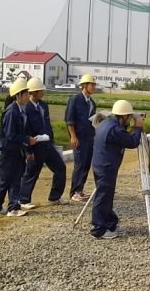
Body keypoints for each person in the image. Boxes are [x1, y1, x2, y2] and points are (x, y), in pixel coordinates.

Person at [91, 100, 143, 239]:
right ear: (124, 116)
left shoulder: (108, 123)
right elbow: (132, 142)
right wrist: (138, 127)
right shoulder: (115, 129)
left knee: (105, 197)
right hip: (106, 167)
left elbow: (123, 136)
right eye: (129, 116)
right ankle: (99, 229)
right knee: (103, 198)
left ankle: (109, 222)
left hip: (100, 164)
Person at [0, 78, 38, 217]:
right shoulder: (12, 112)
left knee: (12, 179)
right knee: (7, 179)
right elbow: (10, 135)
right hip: (8, 151)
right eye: (26, 93)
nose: (28, 96)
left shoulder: (20, 111)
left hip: (15, 151)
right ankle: (8, 207)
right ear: (18, 95)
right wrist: (28, 140)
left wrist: (27, 149)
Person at [19, 77, 68, 210]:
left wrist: (51, 139)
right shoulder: (26, 108)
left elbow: (47, 124)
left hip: (47, 144)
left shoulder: (43, 105)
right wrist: (28, 150)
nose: (43, 93)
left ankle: (55, 197)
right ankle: (24, 200)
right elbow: (25, 130)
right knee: (32, 172)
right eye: (40, 90)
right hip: (35, 146)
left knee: (60, 168)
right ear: (33, 92)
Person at [65, 74, 97, 202]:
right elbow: (69, 119)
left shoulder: (92, 103)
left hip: (89, 137)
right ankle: (74, 192)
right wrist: (73, 136)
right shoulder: (75, 100)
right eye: (92, 85)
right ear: (84, 85)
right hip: (79, 137)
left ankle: (80, 190)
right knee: (79, 164)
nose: (94, 87)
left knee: (86, 164)